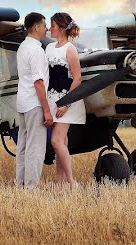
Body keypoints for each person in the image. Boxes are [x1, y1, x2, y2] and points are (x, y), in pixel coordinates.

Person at [45, 12, 85, 187]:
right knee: (62, 142)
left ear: (61, 28)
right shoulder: (49, 48)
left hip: (67, 102)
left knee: (55, 141)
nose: (49, 28)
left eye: (52, 25)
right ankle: (59, 182)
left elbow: (77, 79)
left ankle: (70, 181)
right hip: (52, 100)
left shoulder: (70, 49)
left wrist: (66, 104)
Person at [14, 12, 54, 188]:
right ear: (36, 27)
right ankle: (31, 187)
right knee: (36, 148)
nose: (47, 29)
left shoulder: (23, 47)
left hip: (22, 103)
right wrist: (46, 110)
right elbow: (39, 82)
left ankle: (20, 183)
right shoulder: (37, 50)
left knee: (22, 146)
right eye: (44, 25)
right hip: (35, 103)